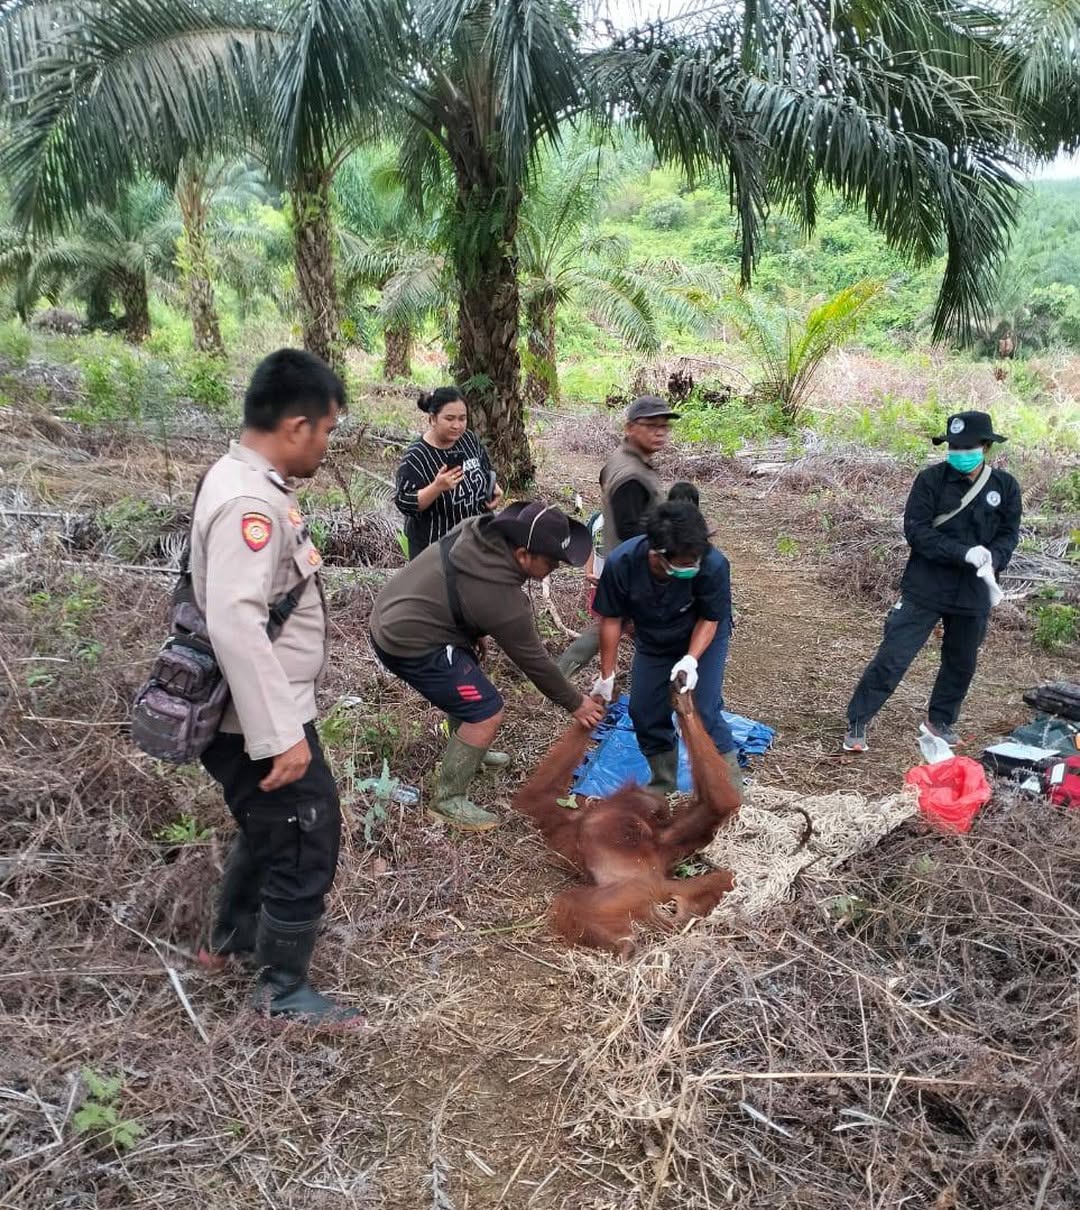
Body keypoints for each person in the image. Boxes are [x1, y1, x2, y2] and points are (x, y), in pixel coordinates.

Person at [192, 348, 359, 1026]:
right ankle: (281, 992)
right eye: (327, 430)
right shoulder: (247, 504)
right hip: (259, 718)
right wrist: (278, 735)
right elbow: (235, 621)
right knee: (305, 836)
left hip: (265, 709)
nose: (326, 444)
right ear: (296, 426)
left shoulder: (243, 480)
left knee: (271, 827)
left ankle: (229, 939)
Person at [370, 502, 606, 831]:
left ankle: (470, 754)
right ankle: (448, 800)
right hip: (408, 640)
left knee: (469, 680)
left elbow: (457, 586)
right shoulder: (501, 599)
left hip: (396, 612)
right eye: (551, 562)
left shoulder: (479, 532)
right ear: (523, 554)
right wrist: (575, 702)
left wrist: (470, 629)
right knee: (486, 711)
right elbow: (534, 662)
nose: (554, 568)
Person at [843, 410, 1022, 752]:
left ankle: (940, 720)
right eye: (954, 446)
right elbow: (917, 531)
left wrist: (992, 559)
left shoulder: (1006, 486)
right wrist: (963, 553)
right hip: (926, 586)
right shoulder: (931, 480)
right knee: (894, 655)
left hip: (973, 592)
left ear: (985, 447)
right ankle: (858, 721)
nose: (959, 452)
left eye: (967, 446)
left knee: (961, 661)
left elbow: (1009, 533)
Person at [590, 500, 740, 800]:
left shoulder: (712, 564)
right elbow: (611, 620)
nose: (691, 567)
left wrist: (690, 661)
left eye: (694, 560)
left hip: (701, 636)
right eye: (683, 563)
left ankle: (729, 790)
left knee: (704, 708)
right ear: (656, 554)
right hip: (654, 638)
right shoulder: (623, 563)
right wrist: (607, 675)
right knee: (643, 710)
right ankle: (663, 782)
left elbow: (711, 618)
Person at [556, 395, 679, 676]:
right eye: (651, 426)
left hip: (626, 563)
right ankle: (558, 676)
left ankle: (663, 674)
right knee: (611, 625)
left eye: (664, 426)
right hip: (634, 568)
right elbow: (630, 529)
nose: (659, 432)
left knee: (624, 625)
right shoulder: (631, 474)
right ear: (630, 428)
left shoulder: (625, 460)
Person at [394, 386, 503, 559]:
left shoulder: (469, 440)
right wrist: (437, 487)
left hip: (475, 541)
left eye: (462, 418)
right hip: (435, 550)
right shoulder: (416, 456)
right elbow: (404, 501)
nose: (457, 425)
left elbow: (485, 468)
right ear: (433, 419)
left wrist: (493, 487)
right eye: (450, 418)